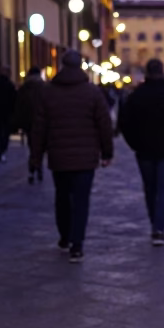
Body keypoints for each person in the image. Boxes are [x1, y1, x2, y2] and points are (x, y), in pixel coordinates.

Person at [30, 50, 114, 263]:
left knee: (62, 197)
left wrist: (36, 157)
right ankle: (77, 244)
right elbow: (104, 124)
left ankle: (64, 237)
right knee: (81, 200)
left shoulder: (48, 92)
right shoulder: (92, 92)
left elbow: (39, 127)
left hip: (58, 156)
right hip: (86, 157)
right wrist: (107, 152)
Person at [118, 59, 164, 246]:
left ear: (146, 73)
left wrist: (134, 144)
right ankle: (159, 229)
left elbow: (124, 124)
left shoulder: (136, 96)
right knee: (163, 189)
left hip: (143, 150)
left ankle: (155, 222)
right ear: (162, 71)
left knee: (150, 188)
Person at [12, 66, 46, 184]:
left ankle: (32, 169)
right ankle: (38, 167)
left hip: (28, 123)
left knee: (32, 146)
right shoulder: (44, 87)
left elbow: (18, 107)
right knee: (40, 147)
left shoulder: (24, 88)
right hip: (42, 122)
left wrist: (18, 122)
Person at [0, 66, 18, 160]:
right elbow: (14, 100)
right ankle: (1, 151)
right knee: (5, 134)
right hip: (7, 114)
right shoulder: (10, 85)